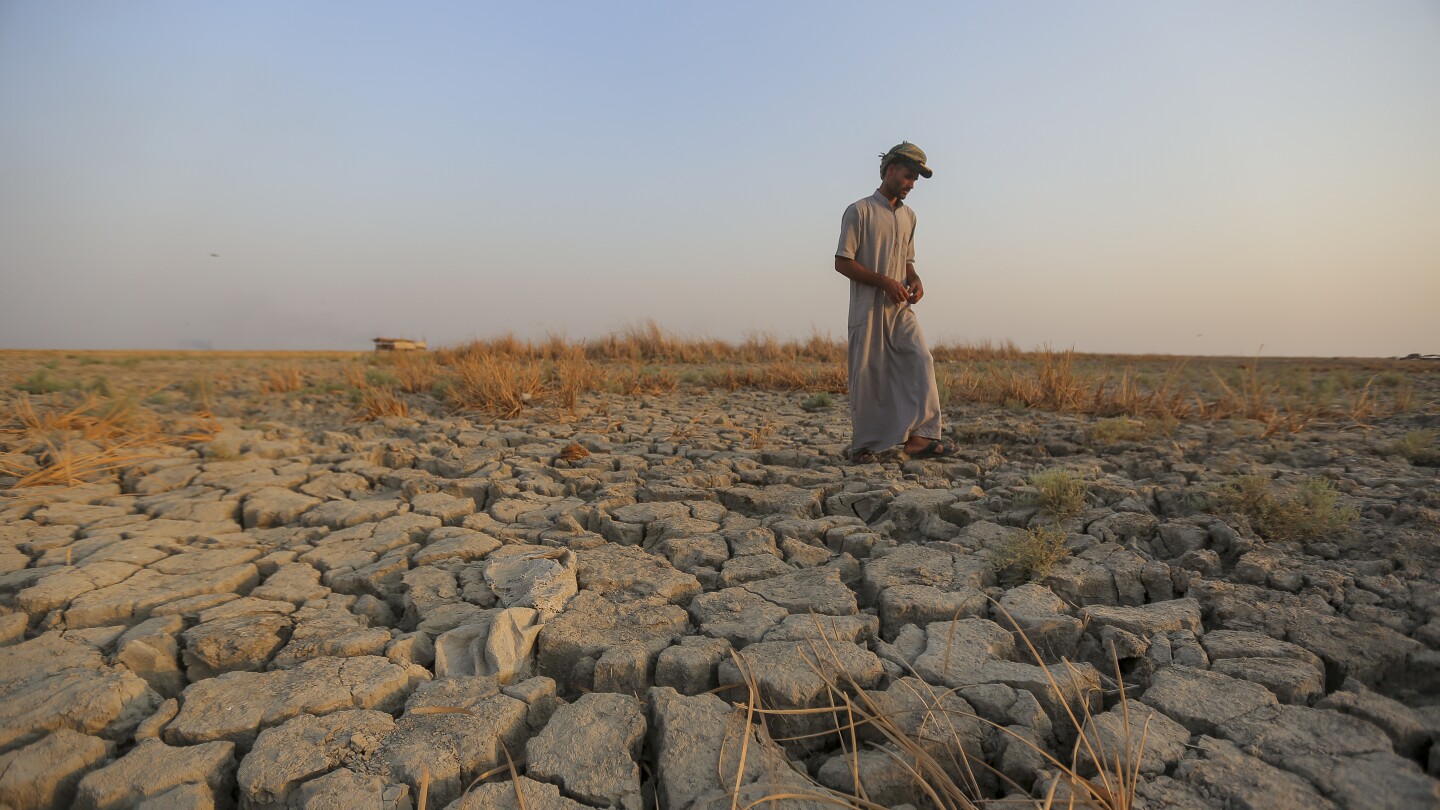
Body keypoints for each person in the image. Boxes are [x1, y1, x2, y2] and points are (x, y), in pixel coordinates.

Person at [834, 141, 952, 463]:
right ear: (889, 170)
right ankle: (864, 448)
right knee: (870, 374)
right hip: (868, 308)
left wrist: (913, 278)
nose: (911, 184)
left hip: (900, 308)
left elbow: (906, 260)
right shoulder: (859, 211)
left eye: (915, 179)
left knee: (920, 359)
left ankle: (922, 437)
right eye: (908, 175)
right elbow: (842, 262)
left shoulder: (910, 217)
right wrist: (883, 281)